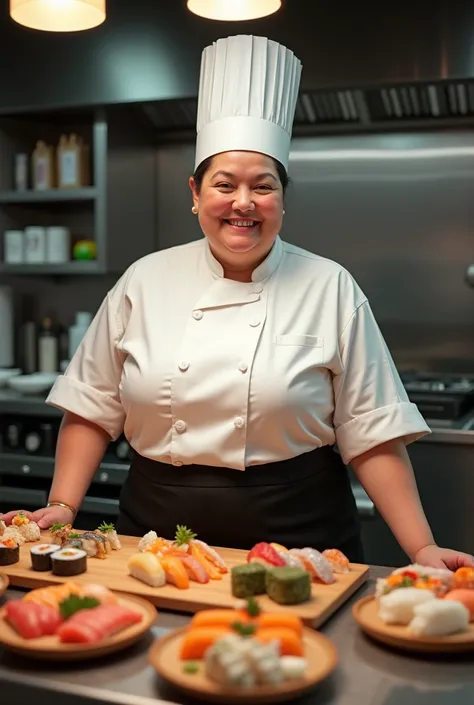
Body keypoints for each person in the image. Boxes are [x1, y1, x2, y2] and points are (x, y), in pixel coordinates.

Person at [2, 35, 472, 570]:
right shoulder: (144, 280)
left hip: (300, 536)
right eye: (224, 185)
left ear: (283, 199)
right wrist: (63, 504)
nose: (243, 203)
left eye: (263, 186)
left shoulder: (329, 285)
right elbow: (91, 405)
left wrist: (421, 547)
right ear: (196, 194)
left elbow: (371, 431)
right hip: (156, 540)